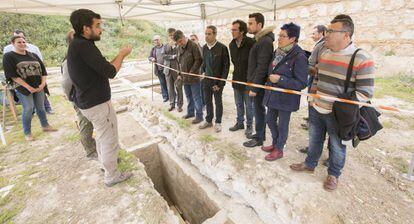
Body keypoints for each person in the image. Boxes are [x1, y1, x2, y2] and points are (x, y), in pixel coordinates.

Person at [290, 14, 375, 191]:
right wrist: (312, 99)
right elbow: (317, 78)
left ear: (346, 34)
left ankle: (334, 174)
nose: (326, 34)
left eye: (331, 31)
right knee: (314, 139)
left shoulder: (361, 58)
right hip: (316, 107)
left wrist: (343, 108)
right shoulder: (325, 53)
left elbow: (365, 93)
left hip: (338, 115)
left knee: (337, 146)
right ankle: (310, 164)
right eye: (327, 30)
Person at [67, 9, 133, 187]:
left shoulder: (79, 45)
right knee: (109, 138)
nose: (101, 29)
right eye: (97, 26)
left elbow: (103, 67)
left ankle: (106, 166)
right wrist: (122, 54)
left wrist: (116, 59)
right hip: (96, 103)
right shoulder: (84, 46)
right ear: (85, 28)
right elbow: (111, 72)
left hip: (88, 102)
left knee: (103, 136)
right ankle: (112, 175)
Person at [261, 23, 308, 161]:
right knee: (269, 119)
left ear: (293, 38)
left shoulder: (299, 56)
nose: (279, 39)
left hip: (286, 99)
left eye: (283, 36)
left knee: (282, 125)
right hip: (272, 95)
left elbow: (301, 83)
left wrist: (280, 79)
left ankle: (279, 149)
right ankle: (275, 143)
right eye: (279, 35)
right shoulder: (278, 51)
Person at [2, 36, 57, 141]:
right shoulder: (9, 56)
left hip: (38, 86)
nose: (22, 43)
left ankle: (45, 126)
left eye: (24, 41)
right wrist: (27, 87)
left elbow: (43, 71)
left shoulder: (34, 55)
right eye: (19, 42)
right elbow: (12, 75)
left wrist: (42, 84)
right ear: (12, 43)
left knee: (40, 107)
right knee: (28, 108)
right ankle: (27, 133)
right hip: (22, 87)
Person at [61, 30, 97, 159]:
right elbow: (66, 82)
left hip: (87, 96)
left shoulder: (80, 56)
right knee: (85, 123)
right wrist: (70, 96)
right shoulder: (69, 60)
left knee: (89, 122)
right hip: (79, 98)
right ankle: (91, 151)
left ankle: (92, 146)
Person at [243, 13, 274, 147]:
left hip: (258, 85)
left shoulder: (265, 42)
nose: (248, 26)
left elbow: (262, 67)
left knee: (259, 111)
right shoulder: (260, 40)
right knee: (258, 110)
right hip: (255, 82)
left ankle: (259, 138)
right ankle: (259, 135)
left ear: (259, 25)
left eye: (251, 23)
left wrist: (254, 87)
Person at [3, 29, 54, 114]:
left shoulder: (33, 48)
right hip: (22, 79)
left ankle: (47, 108)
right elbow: (10, 68)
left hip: (35, 77)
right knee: (28, 104)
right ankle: (32, 112)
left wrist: (42, 82)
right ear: (13, 41)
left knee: (41, 98)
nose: (21, 41)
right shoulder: (7, 50)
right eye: (17, 37)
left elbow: (40, 63)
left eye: (22, 38)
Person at [198, 25, 230, 132]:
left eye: (209, 34)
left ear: (215, 34)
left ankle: (218, 122)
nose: (206, 36)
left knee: (218, 102)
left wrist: (220, 84)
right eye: (205, 34)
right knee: (207, 101)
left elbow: (226, 68)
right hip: (206, 80)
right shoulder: (204, 48)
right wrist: (202, 71)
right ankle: (208, 120)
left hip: (217, 82)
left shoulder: (222, 48)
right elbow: (204, 62)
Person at [228, 19, 255, 137]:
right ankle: (240, 123)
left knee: (249, 105)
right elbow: (234, 61)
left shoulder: (251, 43)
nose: (232, 32)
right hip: (236, 78)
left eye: (235, 30)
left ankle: (249, 126)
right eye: (231, 29)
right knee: (238, 104)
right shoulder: (231, 44)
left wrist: (252, 80)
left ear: (242, 31)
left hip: (248, 80)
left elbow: (254, 62)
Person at [173, 30, 203, 124]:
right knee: (188, 96)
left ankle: (199, 116)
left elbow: (199, 60)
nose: (179, 44)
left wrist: (192, 71)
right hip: (184, 77)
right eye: (177, 43)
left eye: (180, 41)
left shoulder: (193, 45)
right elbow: (178, 61)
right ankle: (190, 113)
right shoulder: (179, 47)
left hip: (193, 77)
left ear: (183, 38)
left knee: (196, 97)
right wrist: (179, 73)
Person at [163, 28, 183, 112]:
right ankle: (172, 104)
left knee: (178, 87)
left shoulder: (179, 44)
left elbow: (179, 55)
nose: (171, 37)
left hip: (176, 69)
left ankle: (179, 105)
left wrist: (174, 46)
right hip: (167, 69)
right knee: (170, 88)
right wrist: (172, 57)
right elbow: (163, 56)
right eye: (170, 35)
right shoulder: (166, 45)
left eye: (173, 35)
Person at [149, 35, 169, 102]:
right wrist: (152, 59)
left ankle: (172, 96)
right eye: (155, 40)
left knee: (169, 83)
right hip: (158, 70)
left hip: (166, 69)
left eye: (157, 39)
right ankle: (165, 97)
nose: (157, 41)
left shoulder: (165, 47)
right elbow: (149, 57)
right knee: (162, 83)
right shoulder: (153, 49)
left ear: (160, 40)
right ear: (154, 41)